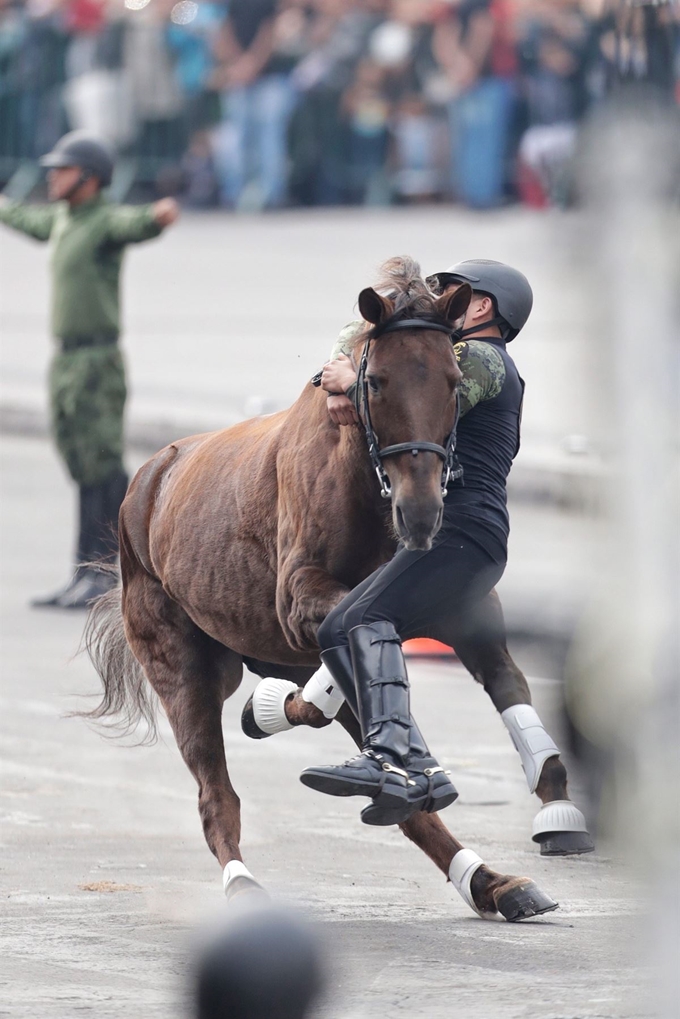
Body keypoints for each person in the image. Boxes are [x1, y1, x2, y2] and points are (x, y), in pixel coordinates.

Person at [296, 259, 534, 825]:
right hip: (461, 530)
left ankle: (400, 759)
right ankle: (412, 762)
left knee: (363, 620)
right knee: (336, 624)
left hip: (462, 529)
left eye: (451, 291)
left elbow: (407, 384)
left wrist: (348, 384)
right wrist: (339, 371)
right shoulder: (447, 348)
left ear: (480, 307)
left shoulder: (478, 358)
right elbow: (376, 337)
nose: (437, 296)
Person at [0, 129, 179, 609]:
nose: (53, 178)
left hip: (97, 360)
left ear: (90, 178)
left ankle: (110, 570)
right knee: (81, 463)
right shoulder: (64, 219)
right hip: (66, 358)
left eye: (62, 170)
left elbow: (134, 223)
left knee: (102, 465)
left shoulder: (101, 221)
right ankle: (82, 569)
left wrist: (157, 218)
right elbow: (23, 218)